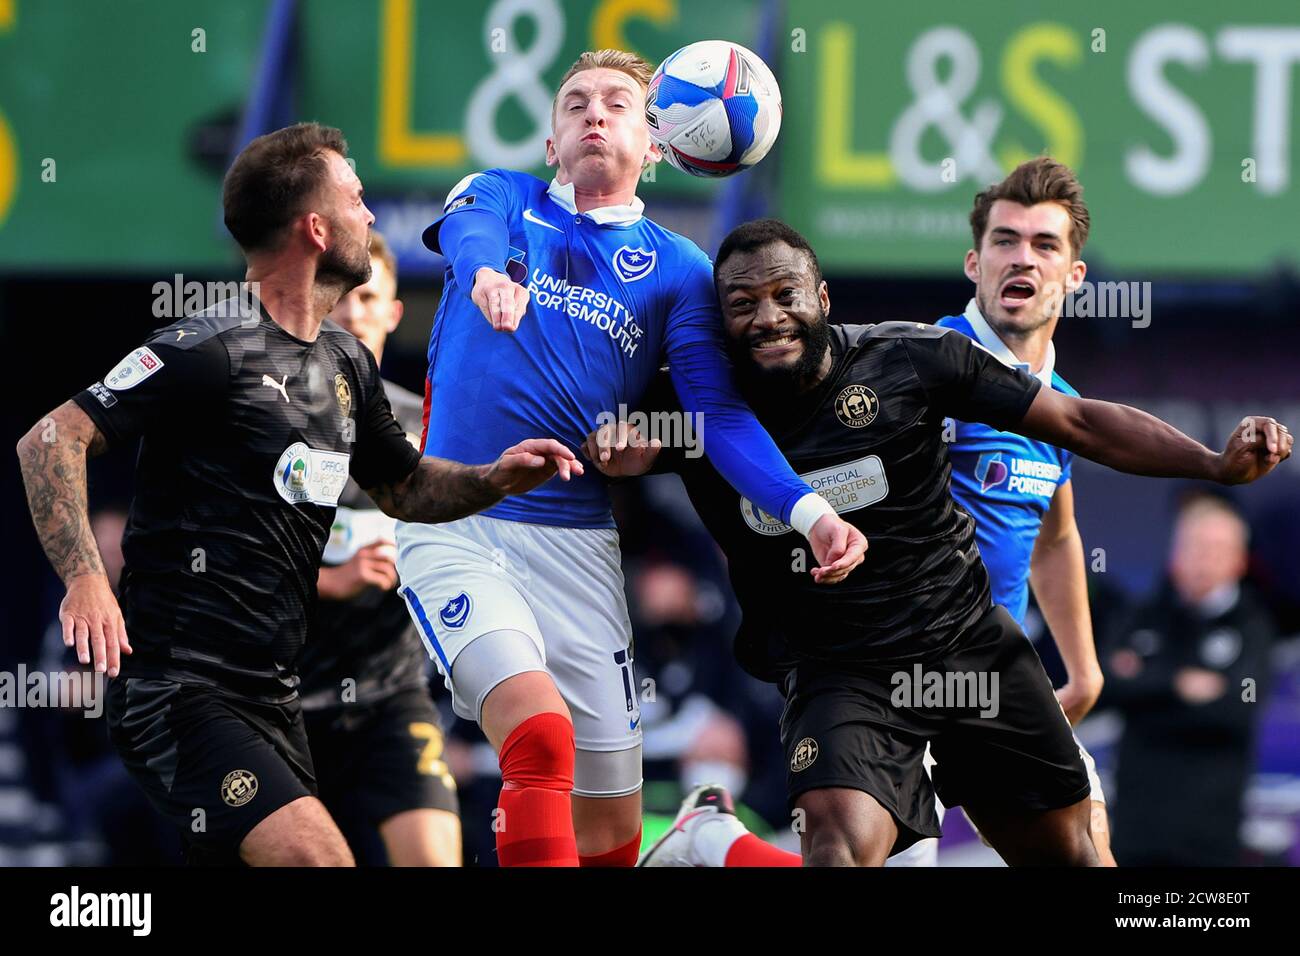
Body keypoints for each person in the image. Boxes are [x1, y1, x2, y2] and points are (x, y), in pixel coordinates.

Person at [589, 218, 1292, 866]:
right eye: (742, 304)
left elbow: (1077, 424)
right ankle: (715, 842)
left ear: (823, 297)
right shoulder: (689, 410)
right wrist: (616, 450)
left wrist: (1213, 463)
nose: (768, 318)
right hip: (840, 675)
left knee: (1076, 859)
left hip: (967, 650)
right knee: (836, 848)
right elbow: (577, 433)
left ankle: (716, 846)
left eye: (785, 294)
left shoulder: (909, 359)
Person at [14, 122, 580, 866]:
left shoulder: (346, 359)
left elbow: (404, 487)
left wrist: (495, 479)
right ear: (315, 229)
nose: (372, 216)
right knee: (321, 860)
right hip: (181, 690)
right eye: (355, 198)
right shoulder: (209, 348)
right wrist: (87, 577)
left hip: (276, 698)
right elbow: (49, 439)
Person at [397, 49, 866, 868]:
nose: (593, 113)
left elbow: (715, 414)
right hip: (457, 521)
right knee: (539, 737)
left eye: (616, 102)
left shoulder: (679, 270)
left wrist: (811, 511)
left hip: (578, 543)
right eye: (574, 103)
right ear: (551, 143)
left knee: (609, 828)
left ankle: (690, 844)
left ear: (655, 141)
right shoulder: (504, 201)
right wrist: (482, 276)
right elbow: (468, 232)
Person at [894, 157, 1115, 866]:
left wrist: (1083, 670)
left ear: (1073, 276)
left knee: (1087, 855)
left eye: (1045, 245)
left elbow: (1055, 535)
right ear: (974, 261)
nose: (1023, 258)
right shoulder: (915, 365)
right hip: (894, 681)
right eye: (1005, 240)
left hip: (998, 682)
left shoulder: (1062, 404)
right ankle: (722, 845)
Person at [296, 231, 461, 866]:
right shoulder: (270, 419)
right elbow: (229, 561)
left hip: (389, 694)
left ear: (394, 312)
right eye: (338, 294)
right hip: (281, 700)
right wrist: (332, 581)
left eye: (368, 296)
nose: (353, 309)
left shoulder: (428, 430)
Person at [1103, 493, 1276, 865]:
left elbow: (1236, 709)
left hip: (1208, 838)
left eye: (1214, 549)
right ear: (1174, 552)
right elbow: (1107, 684)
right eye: (1193, 546)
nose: (1201, 559)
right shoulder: (1144, 615)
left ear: (1239, 560)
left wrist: (1147, 685)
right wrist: (1179, 684)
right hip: (1135, 831)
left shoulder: (1254, 627)